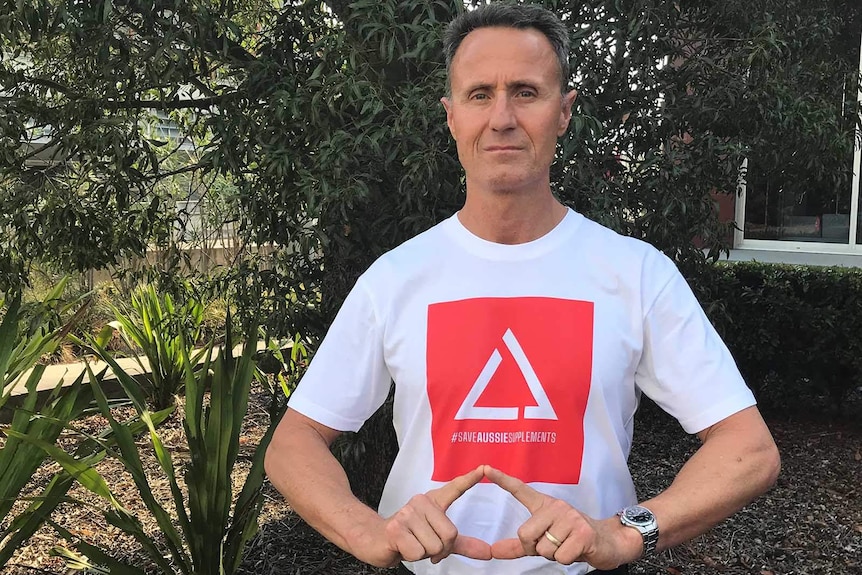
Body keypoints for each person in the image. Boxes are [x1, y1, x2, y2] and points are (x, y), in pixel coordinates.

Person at [263, 4, 781, 575]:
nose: (502, 117)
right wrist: (368, 531)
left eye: (527, 92)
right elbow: (294, 443)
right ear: (451, 115)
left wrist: (625, 533)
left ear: (564, 112)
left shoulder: (636, 274)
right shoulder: (394, 279)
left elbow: (748, 451)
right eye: (479, 94)